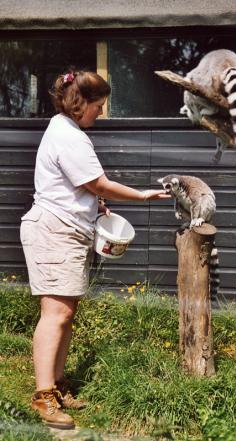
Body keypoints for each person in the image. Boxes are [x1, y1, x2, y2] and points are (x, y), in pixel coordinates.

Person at [20, 70, 170, 430]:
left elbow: (78, 188)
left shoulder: (67, 131)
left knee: (66, 312)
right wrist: (141, 195)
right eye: (99, 106)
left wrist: (94, 207)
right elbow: (97, 182)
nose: (101, 113)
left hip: (65, 230)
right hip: (54, 232)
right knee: (55, 314)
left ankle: (56, 386)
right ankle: (43, 396)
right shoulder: (68, 136)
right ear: (80, 103)